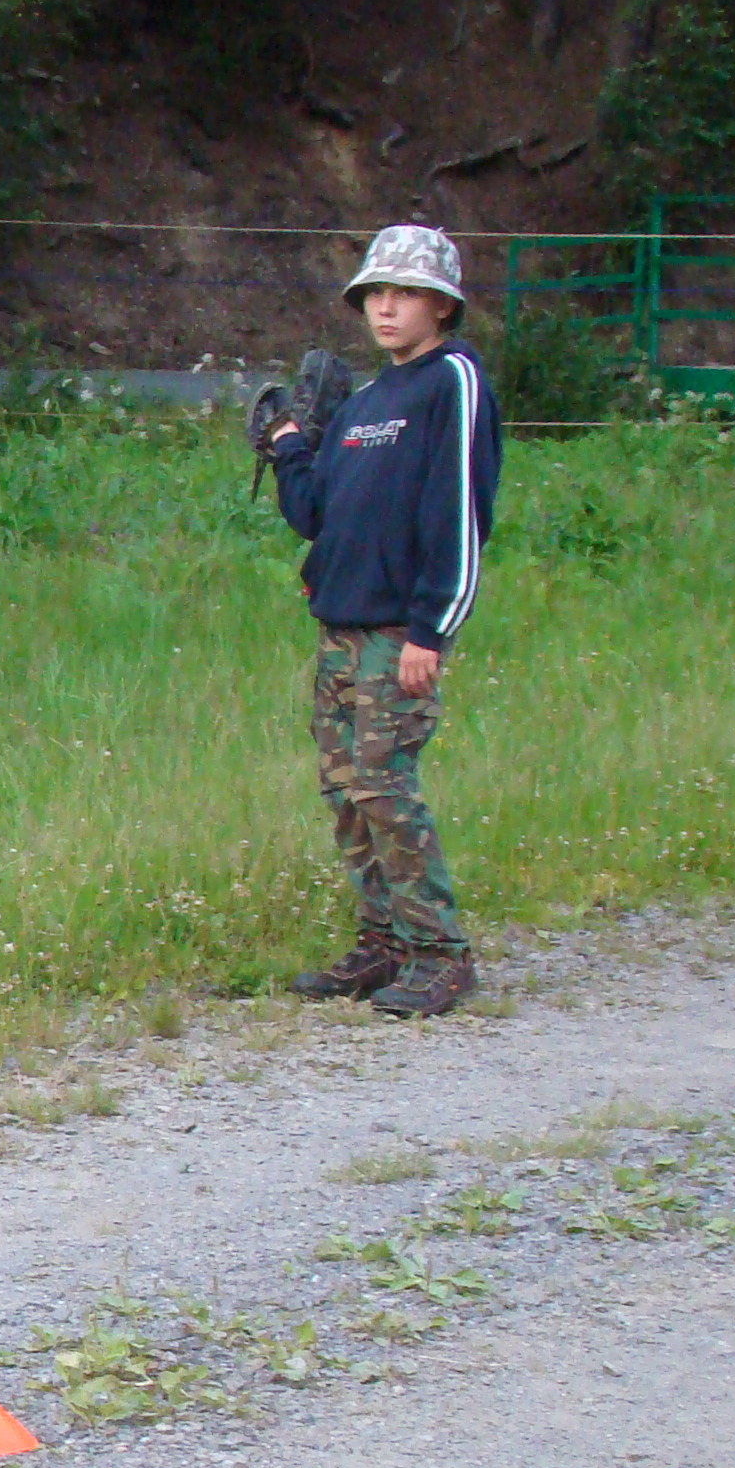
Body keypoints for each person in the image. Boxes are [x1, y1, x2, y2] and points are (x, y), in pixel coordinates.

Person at [266, 223, 501, 1020]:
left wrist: (432, 630)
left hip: (401, 631)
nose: (386, 309)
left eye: (405, 294)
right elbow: (315, 513)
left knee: (385, 787)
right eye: (375, 294)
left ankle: (441, 954)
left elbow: (461, 510)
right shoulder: (364, 405)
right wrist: (290, 446)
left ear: (443, 305)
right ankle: (383, 942)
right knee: (345, 791)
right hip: (340, 629)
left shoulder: (452, 381)